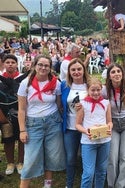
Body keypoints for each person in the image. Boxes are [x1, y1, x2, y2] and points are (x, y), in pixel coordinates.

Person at [18, 54, 65, 188]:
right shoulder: (25, 83)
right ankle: (23, 185)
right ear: (34, 66)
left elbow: (59, 105)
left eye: (46, 66)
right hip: (33, 124)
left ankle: (47, 184)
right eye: (40, 65)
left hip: (53, 122)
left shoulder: (56, 83)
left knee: (52, 154)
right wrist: (22, 130)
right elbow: (21, 109)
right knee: (30, 158)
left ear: (50, 68)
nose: (43, 68)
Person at [76, 77, 113, 188]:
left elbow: (110, 121)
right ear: (88, 90)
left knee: (101, 171)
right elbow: (77, 124)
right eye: (93, 90)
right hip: (88, 142)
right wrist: (86, 131)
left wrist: (109, 127)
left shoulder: (106, 103)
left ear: (101, 89)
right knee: (88, 173)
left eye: (98, 90)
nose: (96, 93)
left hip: (104, 141)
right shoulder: (82, 104)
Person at [61, 58, 90, 188]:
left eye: (79, 69)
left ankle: (88, 182)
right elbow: (59, 104)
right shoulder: (64, 85)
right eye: (73, 70)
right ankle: (69, 184)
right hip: (70, 127)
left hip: (87, 127)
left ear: (84, 70)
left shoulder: (90, 85)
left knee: (87, 159)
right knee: (71, 158)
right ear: (69, 72)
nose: (76, 72)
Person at [1, 54, 25, 175]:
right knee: (8, 139)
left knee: (22, 139)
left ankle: (20, 162)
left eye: (13, 62)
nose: (10, 64)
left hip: (20, 113)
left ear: (16, 64)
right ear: (4, 64)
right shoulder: (0, 79)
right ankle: (10, 163)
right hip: (5, 115)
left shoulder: (23, 79)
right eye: (8, 62)